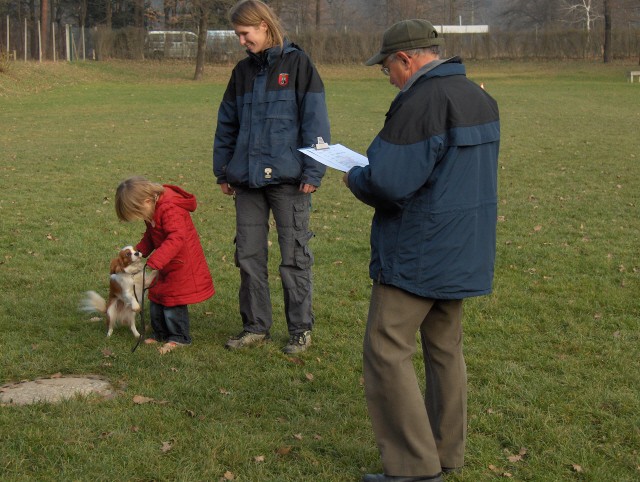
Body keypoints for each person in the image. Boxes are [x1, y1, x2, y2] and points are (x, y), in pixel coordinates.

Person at [343, 19, 500, 482]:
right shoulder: (478, 96)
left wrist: (353, 174)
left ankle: (413, 467)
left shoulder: (420, 102)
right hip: (463, 245)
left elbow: (388, 183)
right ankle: (445, 452)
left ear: (406, 59)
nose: (387, 77)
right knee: (445, 348)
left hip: (418, 249)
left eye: (387, 68)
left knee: (386, 349)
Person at [213, 0, 330, 354]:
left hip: (290, 181)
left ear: (264, 26)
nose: (241, 41)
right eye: (238, 35)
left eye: (244, 34)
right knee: (248, 257)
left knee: (294, 256)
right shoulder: (242, 72)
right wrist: (223, 170)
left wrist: (314, 169)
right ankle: (255, 326)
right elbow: (226, 124)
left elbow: (316, 122)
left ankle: (300, 329)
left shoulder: (298, 65)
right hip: (246, 181)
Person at [115, 176, 215, 353]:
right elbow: (151, 235)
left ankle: (179, 337)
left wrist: (156, 259)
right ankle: (160, 333)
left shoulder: (169, 208)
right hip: (166, 260)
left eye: (138, 214)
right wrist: (140, 251)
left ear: (147, 201)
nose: (140, 218)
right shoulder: (151, 208)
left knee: (173, 300)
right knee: (157, 296)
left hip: (182, 262)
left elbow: (176, 238)